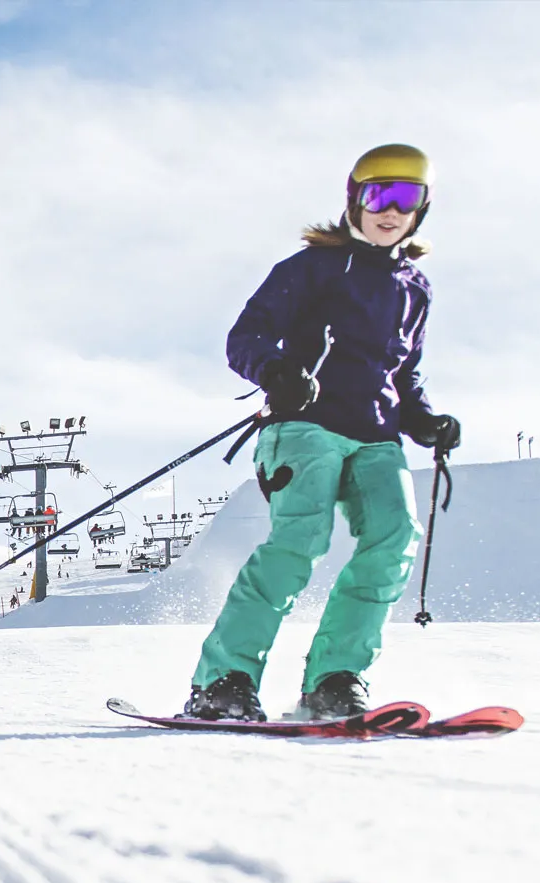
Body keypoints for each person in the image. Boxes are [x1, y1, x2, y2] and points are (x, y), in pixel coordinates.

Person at [187, 143, 460, 722]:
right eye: (377, 195)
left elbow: (402, 376)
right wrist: (280, 373)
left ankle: (336, 679)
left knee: (393, 539)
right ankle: (224, 681)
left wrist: (425, 420)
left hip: (376, 435)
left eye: (405, 199)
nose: (390, 210)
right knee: (299, 543)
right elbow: (247, 337)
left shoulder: (415, 287)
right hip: (305, 424)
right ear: (354, 200)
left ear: (422, 210)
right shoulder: (312, 267)